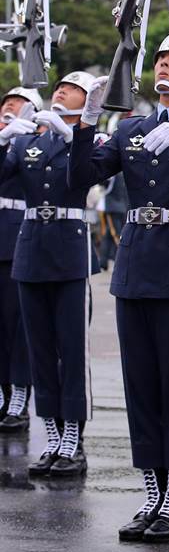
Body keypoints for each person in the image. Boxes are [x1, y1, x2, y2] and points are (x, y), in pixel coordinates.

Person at [69, 30, 169, 542]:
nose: (165, 65)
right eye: (162, 57)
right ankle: (153, 492)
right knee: (141, 385)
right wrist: (85, 124)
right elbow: (83, 177)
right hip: (137, 262)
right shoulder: (131, 127)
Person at [0, 72, 100, 475]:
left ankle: (73, 436)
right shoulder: (28, 141)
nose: (60, 91)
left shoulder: (93, 140)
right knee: (40, 349)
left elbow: (85, 175)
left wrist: (76, 136)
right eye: (59, 86)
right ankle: (53, 434)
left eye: (71, 88)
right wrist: (3, 139)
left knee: (70, 351)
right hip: (30, 250)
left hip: (69, 252)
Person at [0, 87, 42, 433]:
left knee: (17, 327)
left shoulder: (31, 143)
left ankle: (18, 395)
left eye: (19, 103)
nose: (10, 107)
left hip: (16, 239)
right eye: (7, 102)